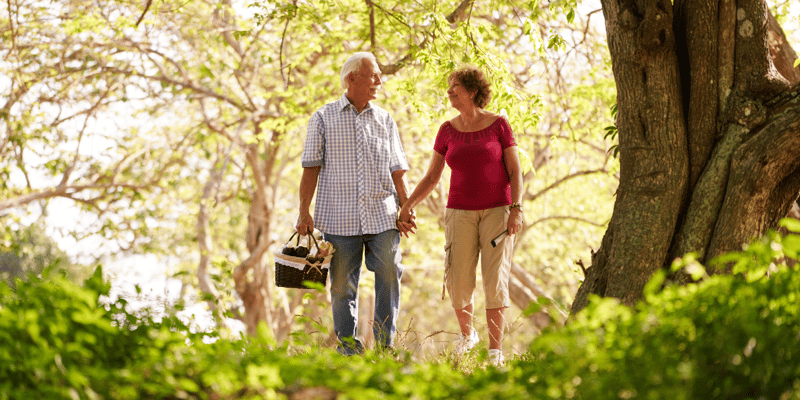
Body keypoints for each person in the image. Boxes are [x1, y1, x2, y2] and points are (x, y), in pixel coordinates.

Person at [398, 67, 523, 367]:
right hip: (458, 214)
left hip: (497, 212)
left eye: (455, 86)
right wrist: (408, 204)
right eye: (449, 87)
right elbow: (432, 176)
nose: (450, 91)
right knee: (457, 279)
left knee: (495, 281)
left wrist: (516, 209)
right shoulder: (447, 130)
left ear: (472, 90)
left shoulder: (499, 125)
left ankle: (495, 353)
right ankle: (468, 336)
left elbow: (515, 170)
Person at [296, 52, 413, 355]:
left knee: (390, 270)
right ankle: (349, 350)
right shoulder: (323, 117)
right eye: (373, 75)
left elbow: (398, 170)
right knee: (341, 288)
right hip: (338, 218)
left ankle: (385, 347)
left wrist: (406, 206)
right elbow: (311, 168)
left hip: (382, 215)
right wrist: (303, 210)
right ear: (352, 79)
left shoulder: (385, 119)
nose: (379, 80)